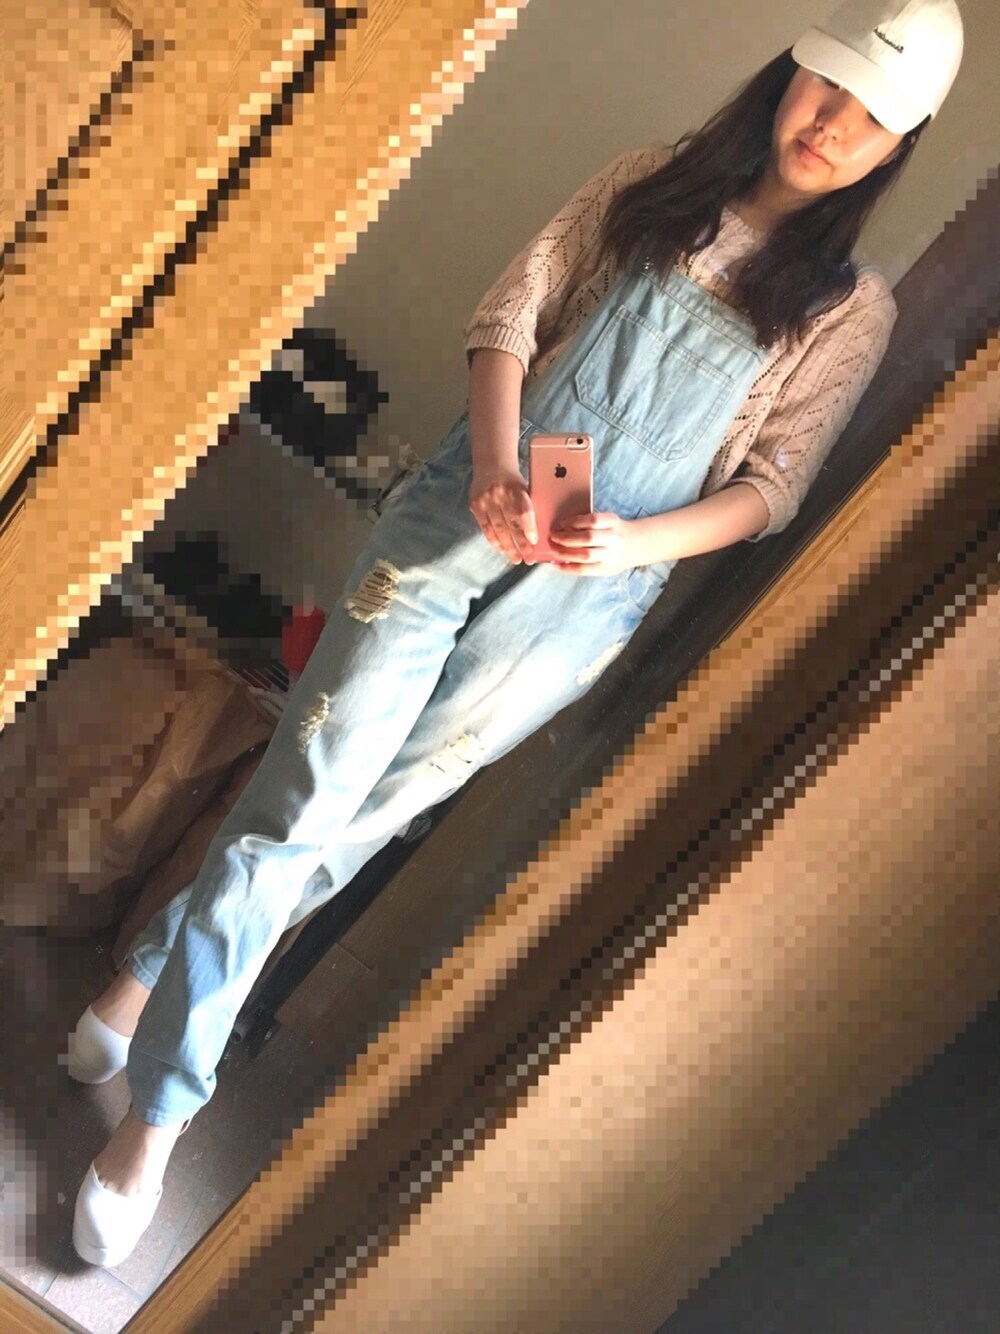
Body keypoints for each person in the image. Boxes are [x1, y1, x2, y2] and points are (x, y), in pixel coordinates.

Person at [65, 0, 963, 1268]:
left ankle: (132, 984)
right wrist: (497, 465)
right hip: (460, 515)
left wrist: (632, 544)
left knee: (350, 826)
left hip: (586, 594)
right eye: (828, 90)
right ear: (788, 75)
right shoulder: (651, 182)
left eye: (871, 119)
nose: (834, 125)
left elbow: (773, 485)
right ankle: (158, 1117)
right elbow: (509, 319)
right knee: (307, 794)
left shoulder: (846, 308)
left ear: (895, 148)